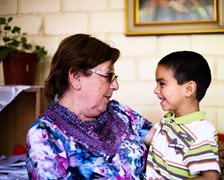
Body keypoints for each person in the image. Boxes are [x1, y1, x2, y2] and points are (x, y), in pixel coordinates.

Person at [26, 34, 153, 179]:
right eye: (108, 75)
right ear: (76, 77)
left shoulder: (119, 112)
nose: (115, 85)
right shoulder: (44, 135)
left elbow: (163, 140)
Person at [145, 51, 220, 179]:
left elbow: (211, 178)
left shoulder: (201, 132)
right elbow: (149, 137)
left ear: (188, 89)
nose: (156, 90)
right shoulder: (169, 119)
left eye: (162, 84)